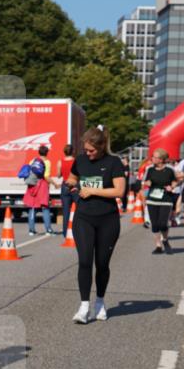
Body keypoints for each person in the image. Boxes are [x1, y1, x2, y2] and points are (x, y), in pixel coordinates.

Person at [66, 126, 126, 323]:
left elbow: (119, 191)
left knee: (102, 264)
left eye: (91, 150)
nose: (88, 154)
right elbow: (72, 177)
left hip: (107, 219)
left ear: (101, 147)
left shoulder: (113, 162)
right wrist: (71, 185)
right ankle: (84, 307)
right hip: (84, 217)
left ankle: (99, 302)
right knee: (84, 261)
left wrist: (92, 191)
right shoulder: (81, 160)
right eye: (86, 150)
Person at [142, 148, 177, 254]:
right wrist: (147, 183)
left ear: (161, 159)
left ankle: (165, 240)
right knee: (155, 224)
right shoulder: (149, 169)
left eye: (154, 157)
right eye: (152, 156)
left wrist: (172, 187)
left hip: (166, 199)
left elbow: (175, 181)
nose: (152, 158)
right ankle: (158, 246)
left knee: (163, 223)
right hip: (152, 199)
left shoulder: (170, 169)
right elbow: (145, 181)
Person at [23, 144, 55, 236]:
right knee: (45, 207)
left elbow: (30, 172)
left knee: (32, 207)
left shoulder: (33, 160)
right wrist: (54, 184)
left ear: (39, 152)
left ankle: (31, 230)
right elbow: (46, 176)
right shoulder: (47, 162)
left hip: (32, 185)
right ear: (47, 153)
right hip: (42, 185)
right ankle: (48, 230)